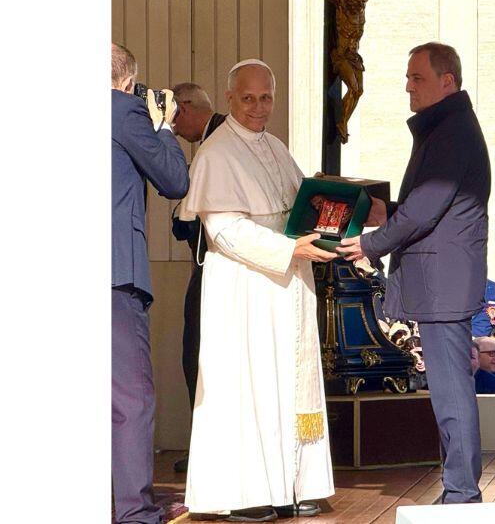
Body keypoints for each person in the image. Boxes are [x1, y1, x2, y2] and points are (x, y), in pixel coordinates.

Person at [179, 59, 337, 521]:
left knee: (290, 383)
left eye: (265, 97)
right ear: (229, 99)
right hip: (244, 287)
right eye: (247, 98)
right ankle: (246, 491)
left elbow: (298, 207)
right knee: (247, 383)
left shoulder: (276, 147)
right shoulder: (215, 153)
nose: (258, 107)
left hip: (287, 283)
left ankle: (295, 484)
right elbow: (223, 230)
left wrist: (331, 224)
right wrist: (289, 251)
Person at [337, 42, 491, 504]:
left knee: (450, 391)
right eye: (408, 77)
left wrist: (367, 243)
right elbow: (434, 208)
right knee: (448, 389)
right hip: (442, 278)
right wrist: (390, 211)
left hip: (442, 282)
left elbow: (427, 210)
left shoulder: (451, 131)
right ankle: (459, 487)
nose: (408, 85)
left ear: (448, 81)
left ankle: (462, 491)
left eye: (417, 77)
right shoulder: (449, 127)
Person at [112, 42, 190, 524]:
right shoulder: (122, 110)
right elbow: (175, 181)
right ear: (126, 81)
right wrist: (161, 124)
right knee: (130, 398)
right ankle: (135, 511)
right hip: (112, 274)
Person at [169, 81, 227, 474]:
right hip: (215, 263)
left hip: (217, 267)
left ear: (186, 107)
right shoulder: (221, 136)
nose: (172, 125)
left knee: (199, 354)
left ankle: (209, 450)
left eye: (173, 115)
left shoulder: (216, 143)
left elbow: (187, 221)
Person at [305, 0, 378, 142]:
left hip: (354, 56)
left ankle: (344, 121)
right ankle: (342, 123)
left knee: (359, 91)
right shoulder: (341, 4)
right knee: (353, 88)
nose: (357, 8)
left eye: (359, 6)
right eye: (354, 6)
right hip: (341, 56)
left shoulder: (361, 4)